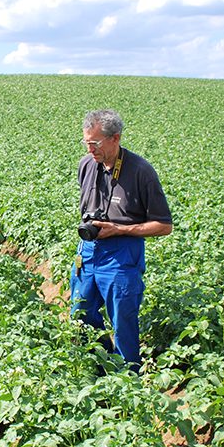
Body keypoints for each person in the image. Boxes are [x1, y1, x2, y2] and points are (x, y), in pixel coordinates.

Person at [71, 110, 172, 369]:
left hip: (122, 254)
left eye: (95, 143)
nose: (90, 149)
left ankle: (129, 378)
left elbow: (164, 226)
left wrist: (120, 229)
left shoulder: (141, 171)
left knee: (123, 321)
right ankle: (99, 368)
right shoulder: (86, 165)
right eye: (87, 143)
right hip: (88, 250)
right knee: (81, 314)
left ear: (115, 138)